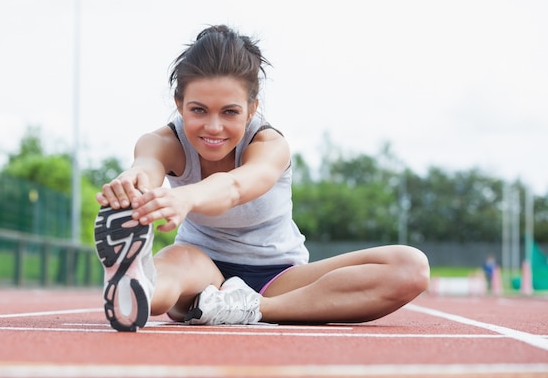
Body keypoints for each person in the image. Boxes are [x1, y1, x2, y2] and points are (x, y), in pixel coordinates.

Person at [93, 25, 430, 332]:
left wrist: (186, 197)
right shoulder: (163, 141)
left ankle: (253, 309)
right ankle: (135, 285)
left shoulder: (270, 145)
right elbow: (147, 166)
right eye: (198, 110)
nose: (213, 127)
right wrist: (132, 182)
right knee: (166, 281)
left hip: (280, 276)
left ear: (251, 109)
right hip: (201, 267)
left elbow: (236, 186)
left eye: (229, 112)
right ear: (179, 104)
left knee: (410, 267)